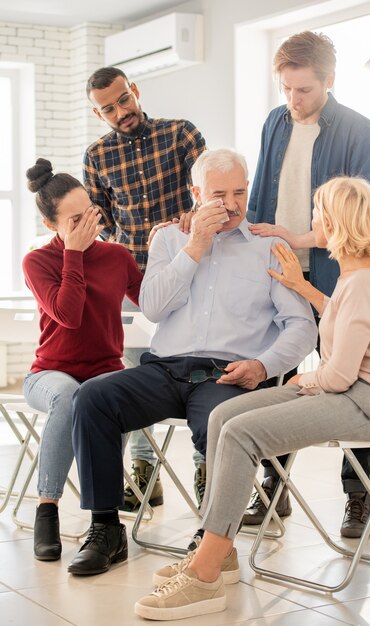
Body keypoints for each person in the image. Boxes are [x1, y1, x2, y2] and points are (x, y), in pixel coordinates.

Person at [134, 175, 370, 621]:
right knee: (224, 415)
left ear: (337, 222)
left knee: (243, 433)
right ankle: (219, 550)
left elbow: (339, 375)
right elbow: (345, 317)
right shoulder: (360, 271)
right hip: (353, 389)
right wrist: (303, 290)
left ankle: (207, 574)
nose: (312, 219)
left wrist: (297, 383)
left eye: (319, 212)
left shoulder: (362, 281)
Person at [67, 148, 317, 576]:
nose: (234, 203)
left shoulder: (268, 245)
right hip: (163, 369)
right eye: (220, 194)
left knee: (224, 424)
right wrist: (196, 246)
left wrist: (263, 366)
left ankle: (212, 538)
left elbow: (301, 326)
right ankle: (106, 528)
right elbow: (153, 308)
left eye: (241, 191)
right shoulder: (169, 239)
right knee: (93, 398)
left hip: (227, 376)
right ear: (196, 194)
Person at [244, 30, 370, 536]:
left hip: (333, 274)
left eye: (303, 90)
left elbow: (360, 215)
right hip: (279, 272)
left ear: (330, 80)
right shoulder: (274, 123)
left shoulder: (357, 129)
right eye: (286, 89)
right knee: (273, 379)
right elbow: (260, 197)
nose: (293, 101)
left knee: (351, 383)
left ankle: (357, 496)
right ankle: (272, 486)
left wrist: (299, 236)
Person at [84, 66, 207, 511]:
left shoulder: (180, 134)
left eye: (122, 100)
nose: (120, 112)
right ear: (99, 115)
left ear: (134, 92)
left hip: (190, 274)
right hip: (133, 285)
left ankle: (205, 464)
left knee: (198, 369)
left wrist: (197, 210)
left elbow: (209, 188)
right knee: (137, 377)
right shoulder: (97, 156)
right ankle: (145, 471)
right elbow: (100, 224)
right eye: (108, 109)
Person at [22, 158, 142, 561]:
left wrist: (174, 247)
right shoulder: (37, 262)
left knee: (104, 395)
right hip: (49, 375)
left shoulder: (117, 256)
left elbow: (157, 303)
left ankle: (103, 524)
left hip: (106, 372)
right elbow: (68, 315)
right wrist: (72, 253)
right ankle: (47, 510)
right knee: (73, 395)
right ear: (50, 225)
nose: (88, 224)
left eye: (89, 211)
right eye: (74, 220)